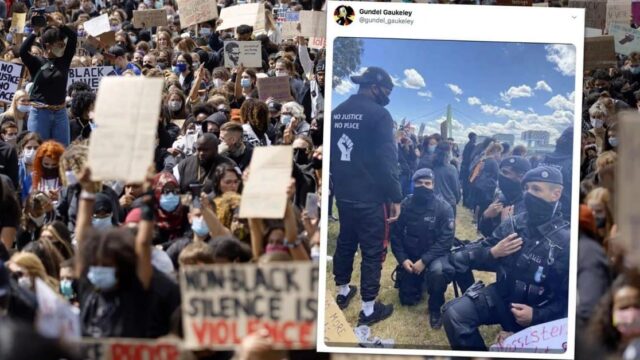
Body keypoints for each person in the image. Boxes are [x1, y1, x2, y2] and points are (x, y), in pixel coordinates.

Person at [442, 166, 570, 351]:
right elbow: (479, 253)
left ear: (555, 194)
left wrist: (537, 315)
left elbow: (566, 302)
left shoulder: (567, 241)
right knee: (454, 314)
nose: (529, 195)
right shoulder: (513, 223)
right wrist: (493, 252)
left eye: (536, 189)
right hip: (503, 295)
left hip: (538, 311)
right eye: (526, 189)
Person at [330, 66, 402, 325]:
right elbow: (387, 161)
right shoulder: (380, 115)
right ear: (375, 86)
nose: (387, 96)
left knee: (346, 243)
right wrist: (396, 197)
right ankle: (369, 309)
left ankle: (342, 291)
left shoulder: (336, 113)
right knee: (372, 250)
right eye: (387, 90)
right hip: (370, 197)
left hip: (344, 194)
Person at [390, 168, 455, 329]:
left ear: (433, 185)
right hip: (411, 256)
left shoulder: (444, 208)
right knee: (407, 301)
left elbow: (446, 241)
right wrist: (403, 259)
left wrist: (424, 261)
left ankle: (435, 308)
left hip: (434, 256)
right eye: (419, 183)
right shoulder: (405, 205)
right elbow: (396, 236)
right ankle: (420, 282)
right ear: (413, 184)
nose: (423, 186)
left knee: (437, 272)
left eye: (427, 183)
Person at [20, 14, 77, 146]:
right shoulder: (36, 62)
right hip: (40, 114)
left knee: (62, 152)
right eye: (59, 44)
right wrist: (35, 31)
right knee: (39, 150)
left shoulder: (64, 60)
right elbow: (23, 51)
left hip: (61, 114)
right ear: (48, 46)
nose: (63, 46)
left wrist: (58, 24)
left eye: (63, 44)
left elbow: (73, 37)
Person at [460, 132, 477, 209]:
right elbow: (471, 158)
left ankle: (464, 202)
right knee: (467, 186)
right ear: (472, 137)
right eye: (475, 137)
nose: (476, 139)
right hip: (468, 168)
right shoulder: (472, 146)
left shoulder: (467, 145)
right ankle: (466, 202)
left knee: (465, 186)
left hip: (464, 167)